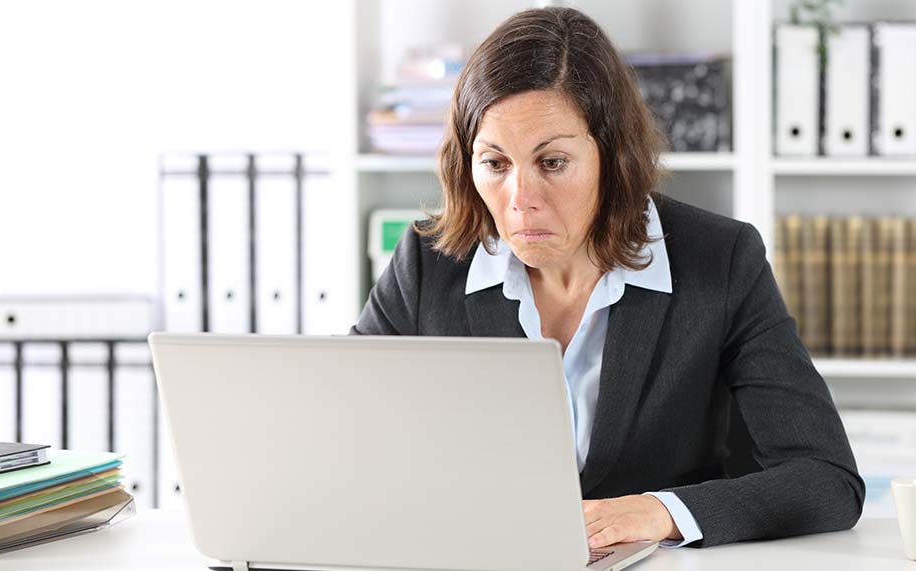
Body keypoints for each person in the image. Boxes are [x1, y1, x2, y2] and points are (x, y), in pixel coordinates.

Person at [351, 6, 863, 549]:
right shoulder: (428, 264)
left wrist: (659, 512)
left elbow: (826, 479)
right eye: (495, 164)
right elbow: (341, 436)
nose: (521, 202)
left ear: (612, 156)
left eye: (552, 163)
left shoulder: (721, 260)